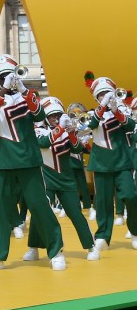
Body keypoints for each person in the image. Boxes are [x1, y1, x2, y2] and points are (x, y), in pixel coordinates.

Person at [0, 52, 65, 271]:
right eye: (2, 75)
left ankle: (56, 251)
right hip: (3, 161)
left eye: (10, 74)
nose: (8, 78)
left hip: (28, 159)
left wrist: (23, 90)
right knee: (2, 212)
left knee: (40, 207)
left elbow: (39, 115)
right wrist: (4, 90)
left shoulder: (28, 95)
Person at [23, 96, 99, 262]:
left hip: (66, 180)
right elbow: (43, 143)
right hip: (46, 179)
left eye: (57, 115)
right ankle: (33, 248)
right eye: (51, 116)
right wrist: (60, 129)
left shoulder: (65, 130)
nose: (55, 118)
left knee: (76, 214)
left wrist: (71, 132)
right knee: (39, 214)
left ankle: (90, 246)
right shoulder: (37, 130)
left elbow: (78, 148)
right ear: (45, 117)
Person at [83, 73, 137, 252]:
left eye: (108, 93)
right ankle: (103, 237)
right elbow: (90, 125)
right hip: (101, 164)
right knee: (104, 203)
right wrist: (103, 106)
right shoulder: (92, 113)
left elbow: (130, 126)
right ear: (96, 97)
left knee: (131, 196)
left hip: (122, 162)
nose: (105, 97)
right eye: (101, 94)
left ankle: (135, 232)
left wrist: (116, 110)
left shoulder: (122, 110)